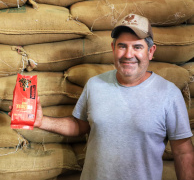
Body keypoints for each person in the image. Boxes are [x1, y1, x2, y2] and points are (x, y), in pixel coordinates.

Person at [10, 14, 194, 180]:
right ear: (113, 48)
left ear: (151, 51)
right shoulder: (95, 85)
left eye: (137, 47)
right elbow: (80, 125)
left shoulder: (169, 94)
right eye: (122, 46)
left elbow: (183, 152)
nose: (129, 54)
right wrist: (42, 122)